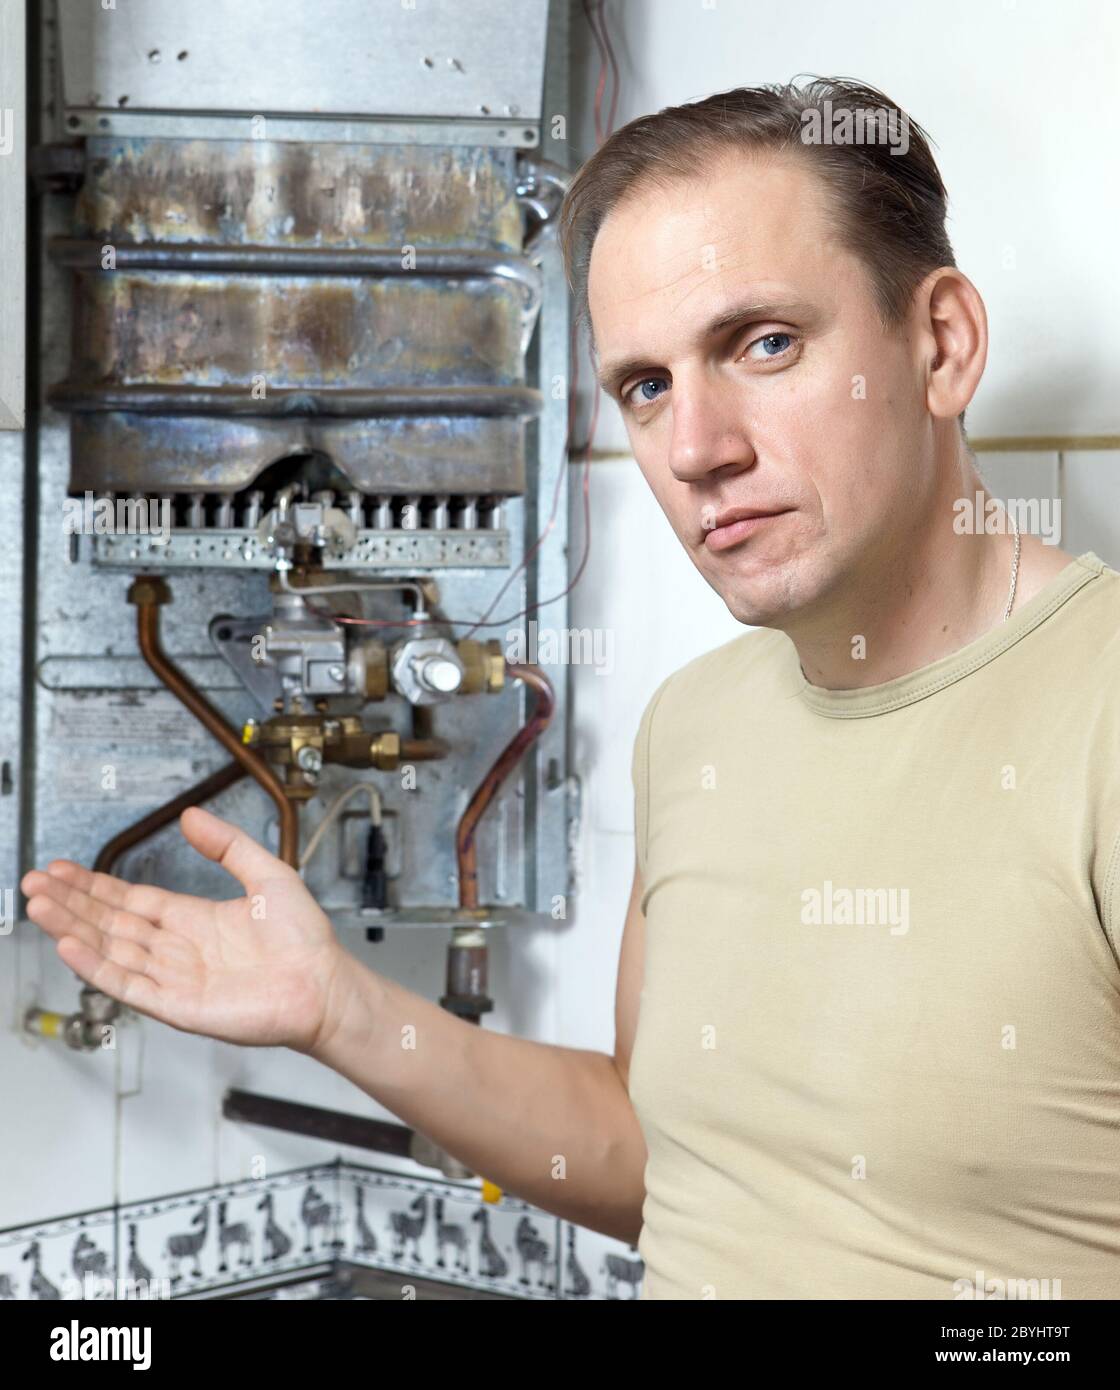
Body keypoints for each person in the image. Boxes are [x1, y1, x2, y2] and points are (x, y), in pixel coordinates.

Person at [23, 77, 1120, 1299]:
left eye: (764, 343)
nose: (698, 447)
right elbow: (657, 1160)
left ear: (942, 344)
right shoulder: (697, 725)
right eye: (645, 386)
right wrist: (336, 1009)